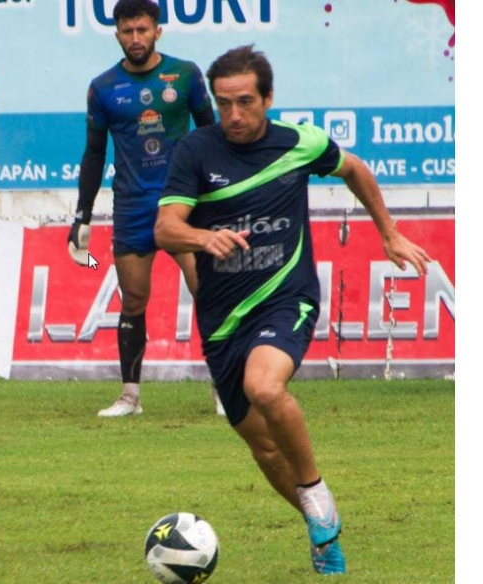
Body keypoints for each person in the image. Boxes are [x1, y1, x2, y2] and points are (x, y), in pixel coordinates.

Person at [154, 45, 432, 574]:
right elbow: (165, 228)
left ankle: (317, 493)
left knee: (266, 386)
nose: (234, 115)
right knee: (263, 449)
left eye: (245, 102)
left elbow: (354, 169)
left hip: (288, 298)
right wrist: (201, 236)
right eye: (224, 103)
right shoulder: (196, 150)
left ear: (268, 98)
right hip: (221, 319)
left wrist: (389, 233)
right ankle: (319, 527)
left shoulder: (299, 143)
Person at [67, 0, 221, 417]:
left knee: (206, 292)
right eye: (127, 31)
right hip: (132, 205)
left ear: (157, 31)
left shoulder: (185, 75)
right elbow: (94, 154)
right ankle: (130, 397)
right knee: (133, 300)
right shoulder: (102, 88)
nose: (135, 38)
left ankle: (223, 387)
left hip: (183, 203)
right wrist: (82, 214)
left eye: (142, 30)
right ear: (116, 33)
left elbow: (212, 137)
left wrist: (221, 194)